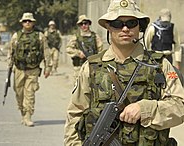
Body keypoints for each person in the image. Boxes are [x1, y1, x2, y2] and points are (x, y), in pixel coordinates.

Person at [64, 0, 184, 145]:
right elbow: (75, 115)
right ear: (108, 26)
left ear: (140, 26)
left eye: (131, 23)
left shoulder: (159, 65)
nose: (125, 29)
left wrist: (146, 109)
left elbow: (180, 106)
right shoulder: (91, 67)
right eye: (117, 24)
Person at [8, 12, 51, 127]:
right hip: (19, 69)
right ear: (22, 23)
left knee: (30, 93)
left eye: (29, 21)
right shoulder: (16, 36)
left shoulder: (40, 36)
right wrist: (9, 65)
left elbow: (46, 52)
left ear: (33, 23)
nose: (27, 23)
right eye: (25, 21)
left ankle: (28, 116)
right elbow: (11, 51)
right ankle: (22, 111)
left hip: (33, 70)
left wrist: (48, 67)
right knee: (19, 93)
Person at [66, 15, 103, 83]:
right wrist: (78, 53)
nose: (83, 25)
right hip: (79, 67)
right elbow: (68, 49)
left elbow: (101, 51)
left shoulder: (95, 36)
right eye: (81, 24)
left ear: (89, 24)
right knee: (78, 88)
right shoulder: (76, 37)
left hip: (92, 66)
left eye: (85, 23)